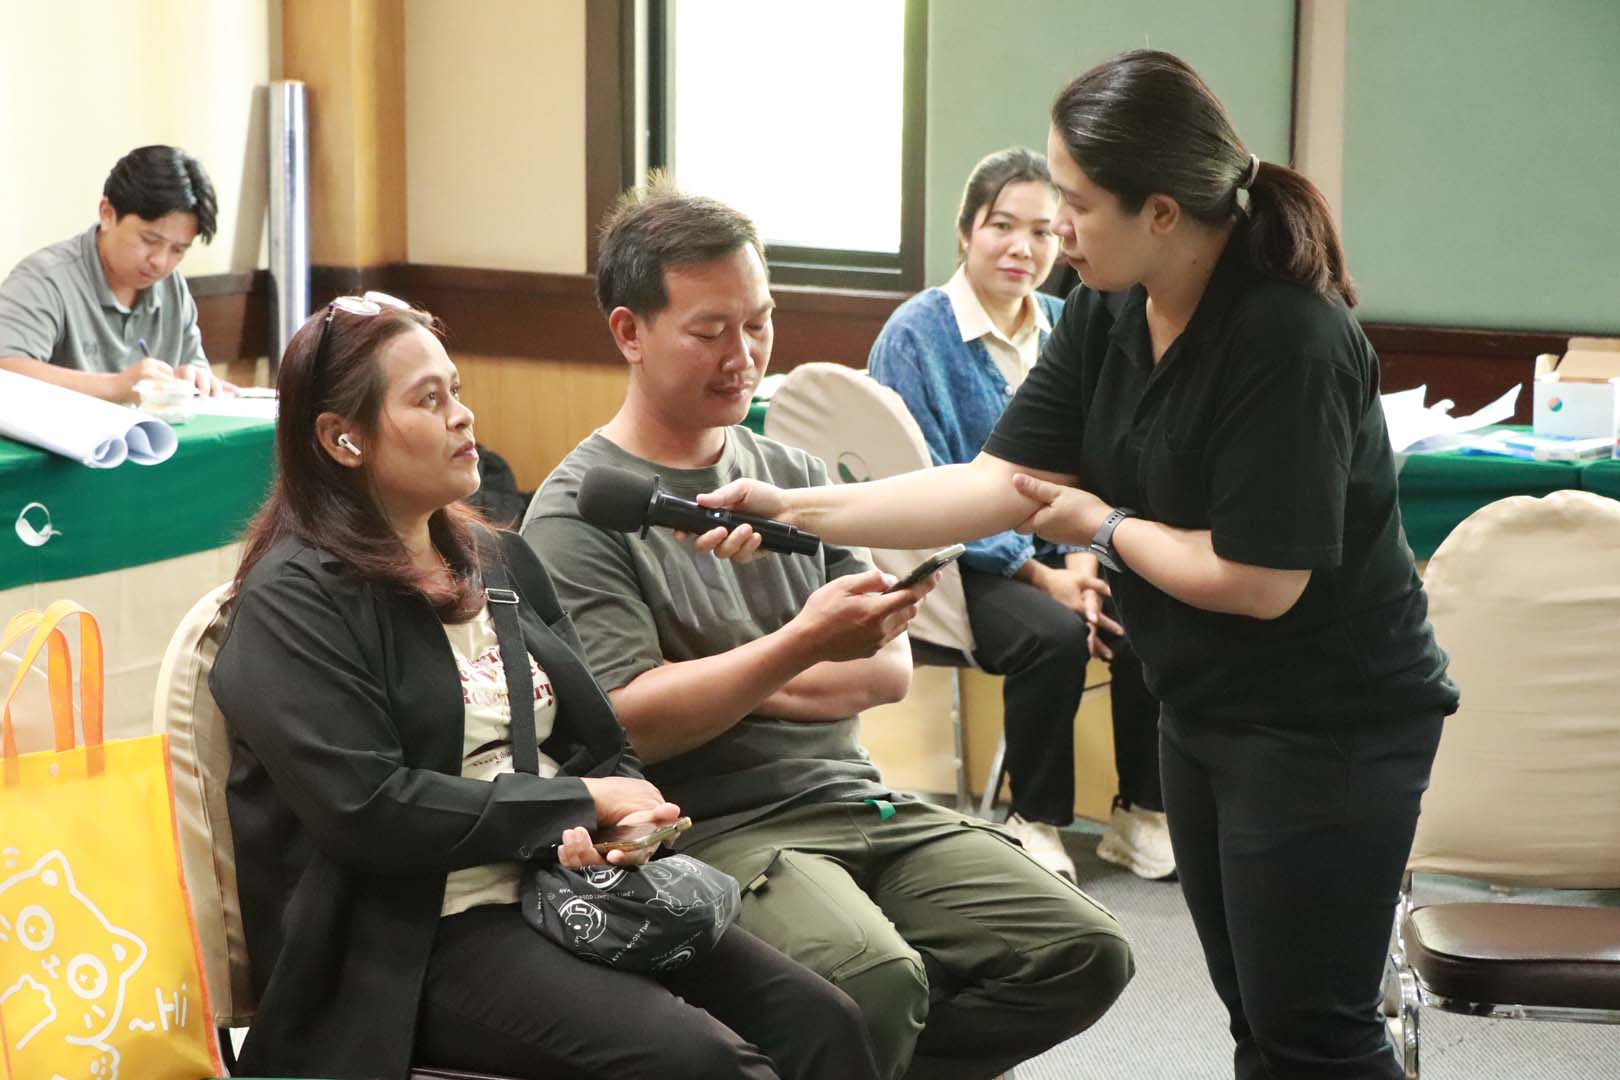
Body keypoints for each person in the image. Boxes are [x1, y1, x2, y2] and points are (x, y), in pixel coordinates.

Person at [693, 50, 1459, 1080]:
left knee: (1317, 1035)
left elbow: (1260, 582)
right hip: (1206, 704)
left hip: (1329, 725)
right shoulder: (1110, 306)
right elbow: (993, 484)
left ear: (1160, 211)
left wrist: (1103, 524)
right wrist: (795, 506)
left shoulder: (1289, 336)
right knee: (1259, 1023)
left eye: (1077, 204)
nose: (1056, 230)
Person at [523, 181, 1133, 1080]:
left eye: (759, 322)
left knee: (1085, 951)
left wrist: (725, 675)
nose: (744, 355)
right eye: (710, 331)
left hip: (858, 796)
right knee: (874, 983)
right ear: (629, 332)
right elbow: (633, 723)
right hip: (716, 824)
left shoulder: (794, 476)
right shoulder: (580, 509)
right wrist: (801, 645)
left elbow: (885, 673)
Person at [207, 291, 880, 1080]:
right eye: (429, 399)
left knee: (822, 1023)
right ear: (341, 438)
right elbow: (369, 811)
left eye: (456, 389)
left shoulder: (498, 561)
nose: (463, 415)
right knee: (703, 1064)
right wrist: (578, 803)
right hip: (413, 939)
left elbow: (599, 741)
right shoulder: (294, 601)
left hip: (563, 887)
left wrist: (627, 820)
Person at [867, 146, 1172, 883]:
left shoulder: (1071, 321)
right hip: (961, 565)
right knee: (1054, 636)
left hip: (1072, 547)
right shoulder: (914, 336)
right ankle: (1032, 818)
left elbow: (1097, 459)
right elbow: (928, 486)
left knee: (1153, 613)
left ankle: (1141, 811)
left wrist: (1085, 563)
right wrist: (1044, 576)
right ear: (965, 230)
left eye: (1041, 231)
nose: (1022, 248)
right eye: (1002, 226)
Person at [0, 144, 236, 403]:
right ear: (107, 214)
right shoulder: (44, 278)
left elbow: (194, 368)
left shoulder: (172, 287)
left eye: (178, 250)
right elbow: (6, 372)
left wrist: (194, 380)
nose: (160, 262)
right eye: (149, 240)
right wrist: (115, 387)